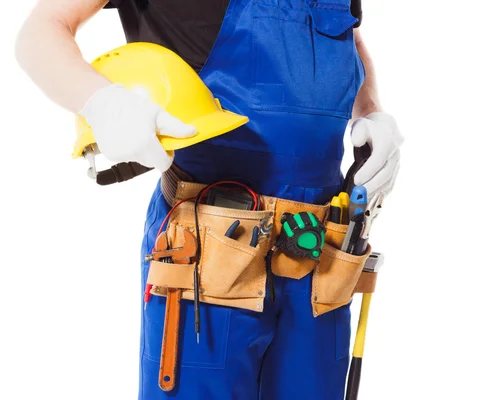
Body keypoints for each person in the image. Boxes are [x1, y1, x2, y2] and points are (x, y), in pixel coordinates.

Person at [15, 0, 404, 399]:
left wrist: (371, 111)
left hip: (320, 255)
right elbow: (44, 27)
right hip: (210, 253)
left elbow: (348, 37)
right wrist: (101, 101)